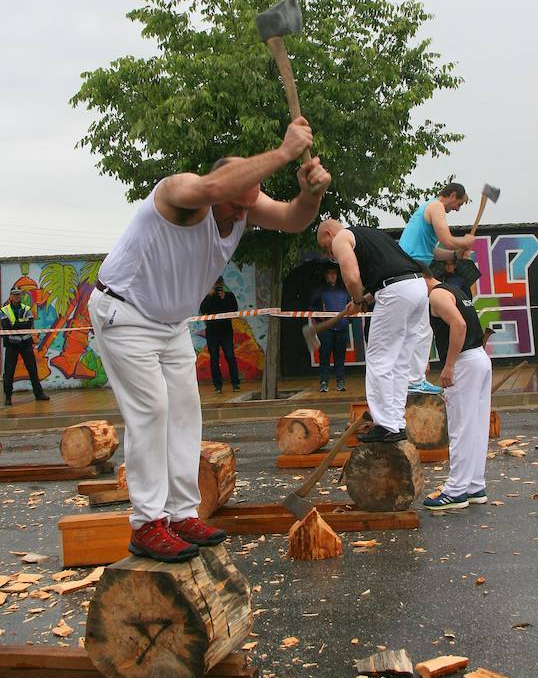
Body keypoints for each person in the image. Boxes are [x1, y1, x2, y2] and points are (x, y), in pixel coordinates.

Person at [88, 117, 331, 562]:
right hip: (124, 312)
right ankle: (146, 524)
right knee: (152, 410)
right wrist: (282, 152)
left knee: (184, 412)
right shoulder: (179, 193)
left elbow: (294, 219)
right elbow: (212, 189)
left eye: (248, 207)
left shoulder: (243, 203)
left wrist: (310, 192)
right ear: (220, 186)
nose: (243, 216)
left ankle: (181, 513)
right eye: (237, 206)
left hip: (169, 323)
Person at [317, 220, 426, 443]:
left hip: (395, 292)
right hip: (416, 287)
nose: (329, 253)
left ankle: (386, 425)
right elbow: (389, 273)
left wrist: (356, 300)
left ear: (329, 232)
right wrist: (367, 298)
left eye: (325, 246)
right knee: (399, 362)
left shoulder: (341, 238)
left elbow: (352, 277)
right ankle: (397, 423)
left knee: (379, 359)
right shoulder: (372, 234)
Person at [422, 269, 491, 512]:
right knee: (476, 425)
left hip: (464, 362)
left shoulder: (436, 296)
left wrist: (449, 365)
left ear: (423, 279)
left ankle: (455, 491)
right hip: (479, 358)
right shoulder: (454, 290)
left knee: (460, 426)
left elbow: (459, 325)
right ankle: (474, 486)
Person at [399, 183, 476, 395]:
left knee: (414, 330)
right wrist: (463, 241)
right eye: (458, 204)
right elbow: (447, 239)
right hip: (412, 271)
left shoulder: (427, 209)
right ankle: (414, 380)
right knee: (422, 330)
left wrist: (454, 255)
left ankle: (410, 379)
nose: (457, 209)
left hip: (409, 269)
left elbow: (434, 250)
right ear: (452, 195)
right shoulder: (436, 207)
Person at [1, 287, 49, 406]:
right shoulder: (4, 310)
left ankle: (39, 394)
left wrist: (16, 325)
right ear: (10, 296)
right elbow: (6, 326)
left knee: (32, 369)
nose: (17, 297)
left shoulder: (27, 308)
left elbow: (29, 325)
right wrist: (19, 325)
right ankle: (8, 397)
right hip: (12, 344)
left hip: (26, 343)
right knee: (9, 371)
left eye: (19, 295)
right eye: (15, 295)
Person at [309, 265, 349, 392]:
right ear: (325, 276)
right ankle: (324, 382)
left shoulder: (343, 290)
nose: (333, 276)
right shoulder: (320, 291)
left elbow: (351, 307)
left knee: (340, 357)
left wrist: (347, 321)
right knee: (325, 356)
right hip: (326, 330)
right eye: (330, 273)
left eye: (335, 274)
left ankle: (340, 382)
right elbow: (311, 307)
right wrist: (321, 319)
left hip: (341, 328)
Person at [199, 276, 241, 394]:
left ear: (222, 284)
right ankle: (217, 386)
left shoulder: (229, 296)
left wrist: (224, 298)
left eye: (219, 284)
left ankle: (235, 383)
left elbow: (234, 310)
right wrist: (210, 295)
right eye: (215, 284)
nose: (217, 286)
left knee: (230, 356)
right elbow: (203, 310)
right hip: (212, 333)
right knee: (214, 359)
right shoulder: (208, 297)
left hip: (226, 332)